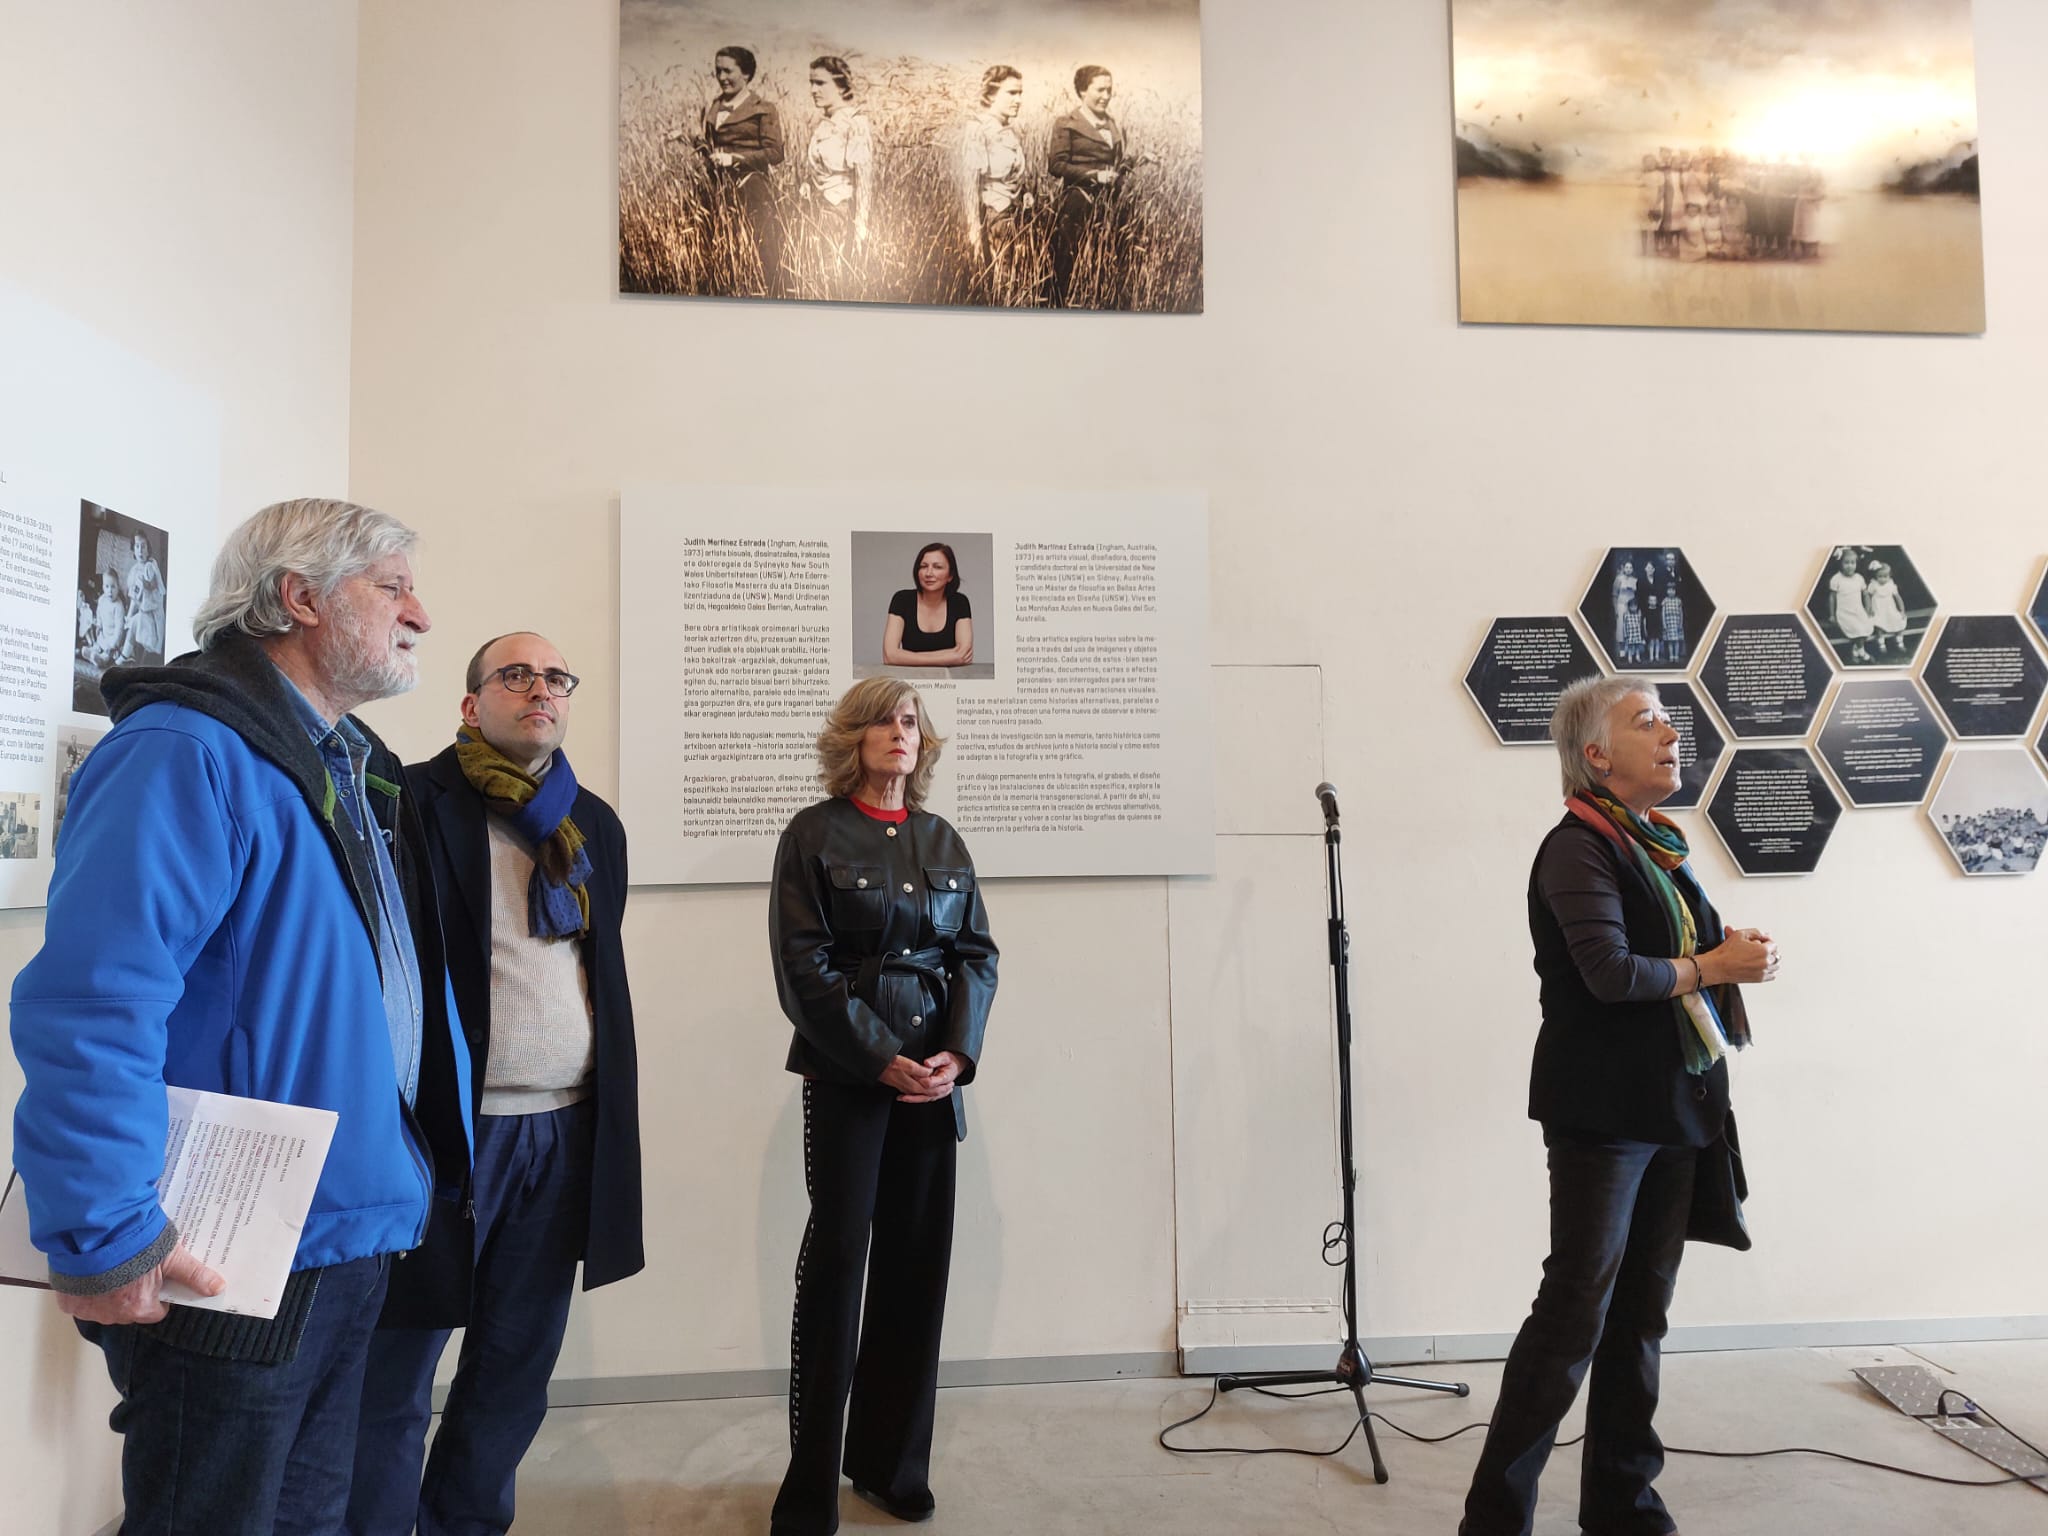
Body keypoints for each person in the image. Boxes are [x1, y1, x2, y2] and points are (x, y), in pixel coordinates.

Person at [9, 497, 472, 1535]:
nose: (422, 616)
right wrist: (103, 1230)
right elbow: (93, 1002)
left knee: (306, 1519)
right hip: (230, 1246)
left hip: (341, 1231)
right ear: (298, 598)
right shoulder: (186, 749)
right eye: (393, 588)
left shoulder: (339, 761)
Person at [1459, 675, 1777, 1536]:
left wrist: (1726, 950)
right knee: (1573, 1315)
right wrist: (1716, 967)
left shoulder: (1655, 845)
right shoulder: (1578, 846)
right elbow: (1609, 973)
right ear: (1595, 755)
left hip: (1675, 1108)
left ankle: (1624, 1508)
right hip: (1604, 1116)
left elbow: (1665, 958)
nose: (1672, 730)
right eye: (1647, 720)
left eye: (1668, 717)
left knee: (1639, 1317)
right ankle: (1493, 1523)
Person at [348, 632, 644, 1535]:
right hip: (447, 1133)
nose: (540, 688)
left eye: (555, 676)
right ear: (471, 704)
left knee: (515, 1365)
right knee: (397, 1365)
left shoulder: (588, 819)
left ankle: (463, 1523)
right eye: (515, 674)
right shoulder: (413, 803)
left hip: (565, 1130)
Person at [767, 679, 998, 1534]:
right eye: (883, 720)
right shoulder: (813, 835)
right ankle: (809, 1492)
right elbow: (804, 970)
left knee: (915, 1274)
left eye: (910, 722)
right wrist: (881, 1058)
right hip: (851, 1083)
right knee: (837, 1277)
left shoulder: (941, 838)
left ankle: (892, 1467)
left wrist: (957, 1053)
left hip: (932, 1090)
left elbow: (977, 954)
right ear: (853, 737)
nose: (899, 734)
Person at [702, 45, 785, 297]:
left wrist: (734, 160)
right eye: (718, 71)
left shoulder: (764, 108)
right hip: (717, 189)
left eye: (728, 71)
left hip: (752, 189)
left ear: (746, 74)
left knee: (762, 247)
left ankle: (773, 295)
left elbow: (775, 153)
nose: (722, 77)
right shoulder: (713, 106)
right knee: (721, 247)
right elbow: (709, 147)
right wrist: (686, 139)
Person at [1049, 65, 1128, 306]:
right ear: (1083, 91)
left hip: (1112, 204)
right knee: (1067, 264)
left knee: (1112, 261)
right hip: (1077, 204)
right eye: (1100, 90)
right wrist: (1094, 176)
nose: (1106, 96)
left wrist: (1139, 160)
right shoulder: (1066, 123)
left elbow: (1117, 163)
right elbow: (1056, 165)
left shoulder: (1114, 124)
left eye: (1110, 90)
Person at [801, 55, 874, 295]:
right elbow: (818, 168)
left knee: (836, 280)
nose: (813, 90)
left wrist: (861, 225)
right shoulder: (823, 124)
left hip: (842, 211)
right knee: (820, 276)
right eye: (811, 83)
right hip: (819, 211)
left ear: (840, 86)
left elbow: (864, 178)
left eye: (821, 83)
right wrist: (806, 185)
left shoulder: (855, 123)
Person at [960, 66, 1031, 302]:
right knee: (1000, 286)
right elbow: (971, 183)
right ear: (991, 94)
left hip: (1014, 218)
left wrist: (1026, 194)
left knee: (1013, 283)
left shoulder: (1009, 131)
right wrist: (974, 230)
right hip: (993, 217)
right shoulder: (978, 129)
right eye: (1011, 93)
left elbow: (1014, 175)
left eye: (1020, 93)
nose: (1018, 100)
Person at [882, 542, 974, 669]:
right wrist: (948, 657)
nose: (929, 573)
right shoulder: (902, 599)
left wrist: (905, 657)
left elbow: (963, 654)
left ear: (950, 575)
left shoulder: (959, 602)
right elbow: (889, 656)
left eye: (937, 567)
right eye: (923, 566)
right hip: (910, 681)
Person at [120, 530, 167, 663]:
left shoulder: (151, 566)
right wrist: (128, 615)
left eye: (143, 546)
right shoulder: (134, 571)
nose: (140, 550)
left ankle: (126, 656)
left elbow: (152, 586)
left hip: (153, 615)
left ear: (148, 549)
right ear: (133, 550)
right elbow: (134, 599)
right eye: (137, 546)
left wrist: (145, 583)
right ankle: (127, 656)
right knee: (131, 622)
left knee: (137, 622)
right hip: (142, 613)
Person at [1827, 548, 1875, 663]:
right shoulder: (1836, 579)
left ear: (1856, 564)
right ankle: (1863, 653)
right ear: (1840, 564)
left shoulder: (1859, 578)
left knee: (1867, 627)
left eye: (1852, 563)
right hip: (1845, 613)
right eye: (1846, 563)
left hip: (1858, 610)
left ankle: (1855, 650)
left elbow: (1865, 595)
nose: (1850, 566)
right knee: (1857, 629)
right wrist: (1832, 615)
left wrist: (1868, 608)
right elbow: (1832, 598)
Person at [1866, 560, 1908, 658]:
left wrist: (1902, 610)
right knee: (1879, 625)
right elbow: (1868, 597)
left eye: (1885, 576)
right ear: (1875, 576)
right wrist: (1869, 608)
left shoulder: (1891, 585)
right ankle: (1881, 644)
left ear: (1889, 576)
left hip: (1890, 609)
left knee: (1899, 621)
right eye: (1880, 576)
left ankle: (1900, 642)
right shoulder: (1873, 585)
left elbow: (1898, 598)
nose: (1883, 579)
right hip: (1878, 609)